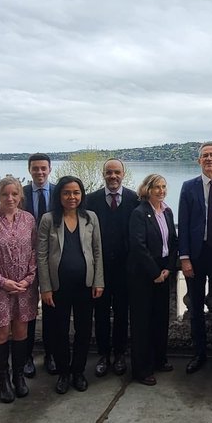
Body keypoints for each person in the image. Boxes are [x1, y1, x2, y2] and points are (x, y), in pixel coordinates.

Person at [37, 176, 104, 395]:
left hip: (85, 285)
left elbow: (97, 251)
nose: (72, 197)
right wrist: (45, 287)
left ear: (82, 195)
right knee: (59, 331)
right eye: (67, 192)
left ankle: (78, 371)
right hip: (58, 287)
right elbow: (42, 256)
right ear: (59, 196)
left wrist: (98, 281)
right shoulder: (48, 219)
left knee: (84, 330)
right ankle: (64, 372)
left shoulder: (90, 217)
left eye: (76, 192)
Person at [0, 176, 39, 403]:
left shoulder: (29, 219)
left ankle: (18, 375)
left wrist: (29, 278)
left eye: (14, 194)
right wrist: (2, 281)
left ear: (20, 195)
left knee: (21, 330)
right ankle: (3, 381)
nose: (10, 198)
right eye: (5, 194)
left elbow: (34, 250)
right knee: (1, 332)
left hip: (24, 286)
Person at [178, 142, 212, 374]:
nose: (209, 159)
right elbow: (185, 224)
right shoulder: (188, 187)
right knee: (196, 307)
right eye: (204, 156)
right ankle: (198, 354)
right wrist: (185, 257)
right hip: (197, 255)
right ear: (199, 161)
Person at [85, 158, 139, 378]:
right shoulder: (91, 200)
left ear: (123, 174)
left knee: (121, 313)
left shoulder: (134, 199)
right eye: (109, 172)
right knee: (100, 313)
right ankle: (103, 355)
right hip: (100, 268)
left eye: (117, 172)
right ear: (103, 174)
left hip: (126, 269)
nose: (113, 176)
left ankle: (119, 354)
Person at [127, 174, 178, 385]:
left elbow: (173, 242)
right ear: (147, 189)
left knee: (160, 319)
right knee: (142, 323)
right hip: (144, 275)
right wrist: (155, 272)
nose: (161, 191)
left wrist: (168, 269)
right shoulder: (139, 213)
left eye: (164, 187)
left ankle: (159, 359)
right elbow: (138, 246)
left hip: (164, 271)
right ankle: (142, 369)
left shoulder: (167, 211)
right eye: (156, 187)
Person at [22, 153, 54, 378]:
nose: (40, 173)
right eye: (35, 169)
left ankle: (51, 354)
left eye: (43, 168)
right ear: (29, 170)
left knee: (53, 311)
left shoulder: (59, 193)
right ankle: (26, 357)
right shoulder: (20, 194)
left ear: (50, 169)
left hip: (53, 261)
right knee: (28, 312)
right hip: (24, 263)